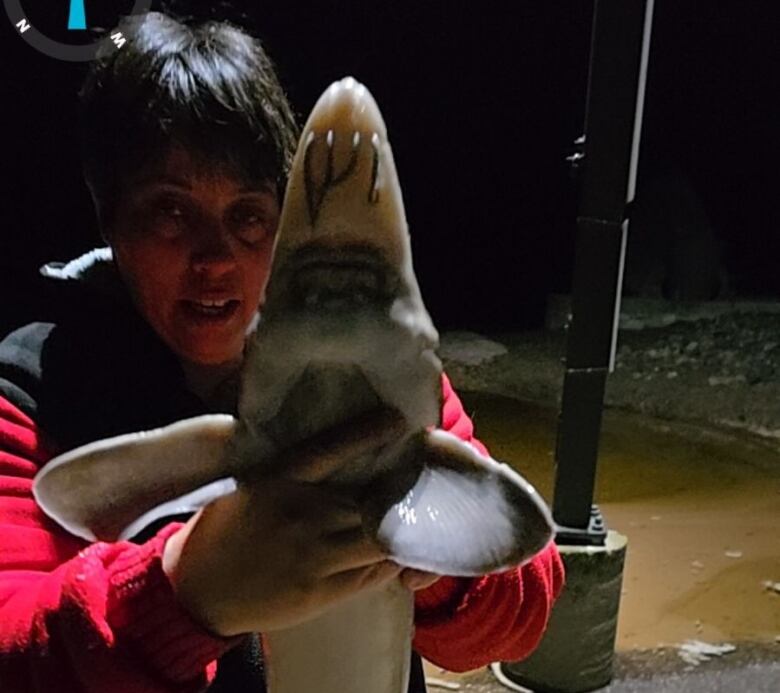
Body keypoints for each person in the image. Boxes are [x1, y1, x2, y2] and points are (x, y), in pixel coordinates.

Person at [0, 11, 564, 692]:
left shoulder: (379, 378)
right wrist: (182, 591)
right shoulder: (29, 394)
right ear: (108, 213)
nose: (214, 259)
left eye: (247, 215)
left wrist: (442, 563)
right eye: (171, 212)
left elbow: (521, 619)